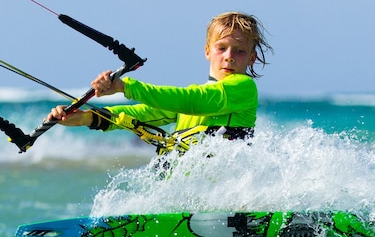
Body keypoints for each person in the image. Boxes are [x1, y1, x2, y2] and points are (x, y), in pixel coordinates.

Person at [47, 11, 272, 154]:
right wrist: (84, 117)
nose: (229, 56)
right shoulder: (187, 101)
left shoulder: (243, 88)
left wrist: (125, 87)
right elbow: (143, 114)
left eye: (240, 51)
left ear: (252, 58)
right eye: (221, 48)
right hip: (184, 199)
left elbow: (193, 101)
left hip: (224, 196)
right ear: (207, 51)